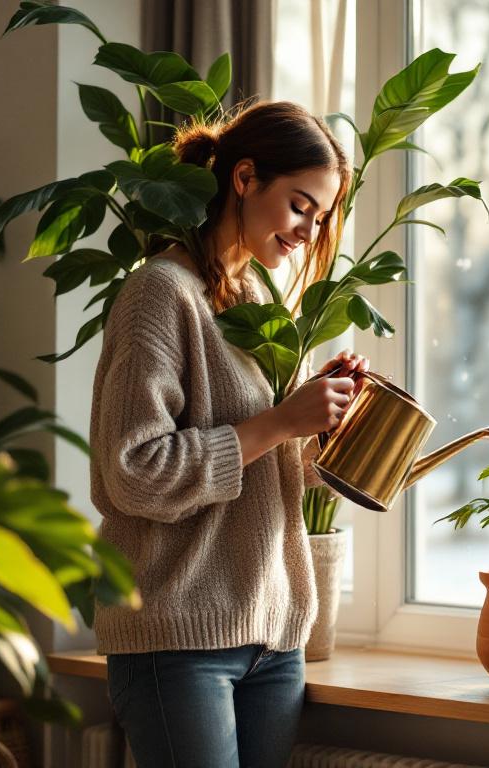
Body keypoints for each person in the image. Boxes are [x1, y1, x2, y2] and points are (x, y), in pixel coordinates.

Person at [89, 101, 367, 768]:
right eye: (300, 206)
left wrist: (322, 416)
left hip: (273, 639)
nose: (308, 232)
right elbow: (133, 473)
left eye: (321, 216)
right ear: (244, 178)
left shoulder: (258, 303)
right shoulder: (160, 293)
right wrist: (280, 421)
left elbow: (274, 466)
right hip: (176, 641)